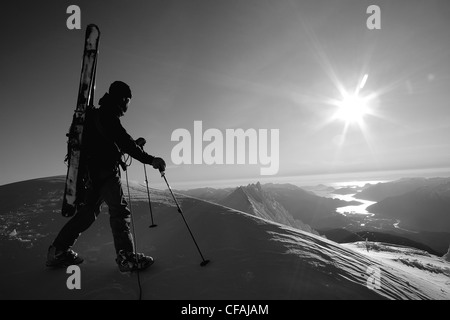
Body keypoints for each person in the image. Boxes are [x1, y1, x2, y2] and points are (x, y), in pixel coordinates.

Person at [47, 81, 166, 272]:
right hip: (106, 173)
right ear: (123, 99)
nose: (128, 105)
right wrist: (151, 160)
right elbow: (124, 143)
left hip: (92, 174)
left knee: (88, 213)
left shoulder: (96, 115)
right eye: (128, 100)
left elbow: (108, 143)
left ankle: (58, 250)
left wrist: (133, 144)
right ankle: (126, 257)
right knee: (119, 211)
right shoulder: (108, 115)